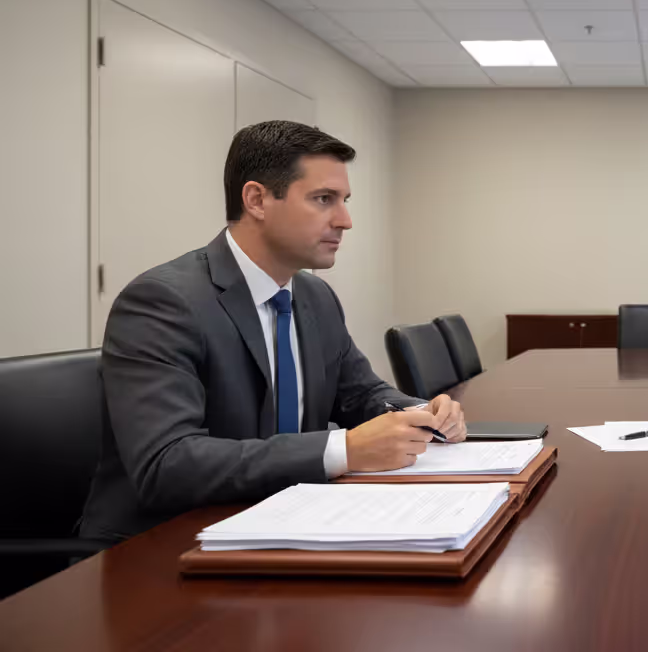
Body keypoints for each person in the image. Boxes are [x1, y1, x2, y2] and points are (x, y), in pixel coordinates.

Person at [80, 121, 467, 542]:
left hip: (288, 522)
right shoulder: (162, 301)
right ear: (257, 199)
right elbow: (166, 464)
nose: (346, 220)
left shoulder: (314, 296)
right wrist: (345, 450)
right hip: (164, 547)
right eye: (324, 199)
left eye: (344, 200)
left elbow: (360, 394)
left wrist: (421, 413)